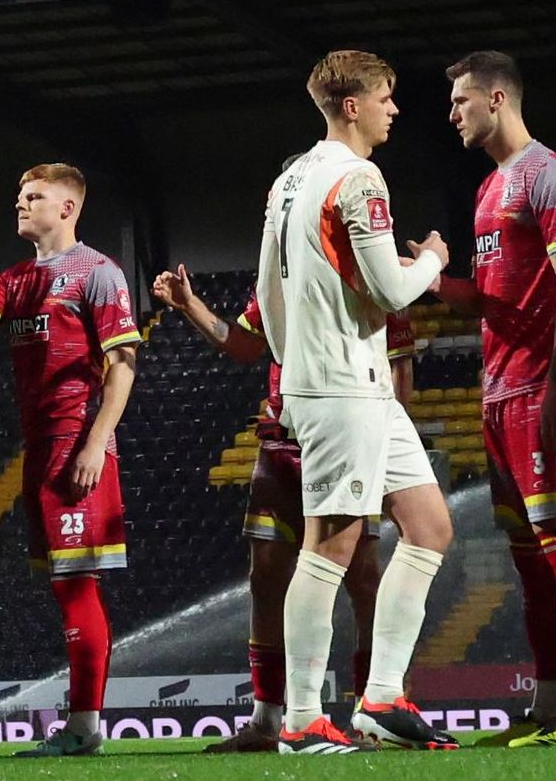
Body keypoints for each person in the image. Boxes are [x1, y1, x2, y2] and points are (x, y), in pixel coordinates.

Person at [253, 50, 462, 752]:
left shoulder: (290, 178)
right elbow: (396, 291)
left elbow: (266, 293)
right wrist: (431, 257)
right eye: (384, 97)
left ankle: (380, 699)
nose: (393, 109)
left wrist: (294, 362)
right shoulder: (358, 178)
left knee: (430, 525)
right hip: (342, 383)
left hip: (346, 381)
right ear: (352, 106)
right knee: (331, 545)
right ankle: (303, 715)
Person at [0, 163, 141, 758]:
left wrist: (95, 443)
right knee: (64, 586)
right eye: (19, 194)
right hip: (38, 451)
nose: (20, 203)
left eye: (34, 196)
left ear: (67, 208)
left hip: (78, 447)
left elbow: (123, 366)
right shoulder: (15, 279)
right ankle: (82, 725)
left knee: (76, 586)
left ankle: (85, 728)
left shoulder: (98, 272)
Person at [430, 51, 556, 747]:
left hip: (545, 387)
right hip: (498, 392)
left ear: (498, 98)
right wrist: (433, 281)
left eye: (461, 101)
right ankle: (547, 706)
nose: (452, 114)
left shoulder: (550, 176)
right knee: (530, 564)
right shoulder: (487, 190)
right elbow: (488, 297)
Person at [149, 259, 390, 751]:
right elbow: (243, 345)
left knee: (363, 579)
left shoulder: (367, 273)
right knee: (266, 580)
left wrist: (384, 446)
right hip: (281, 443)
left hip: (344, 437)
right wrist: (188, 304)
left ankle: (374, 713)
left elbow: (398, 366)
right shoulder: (278, 286)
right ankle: (266, 718)